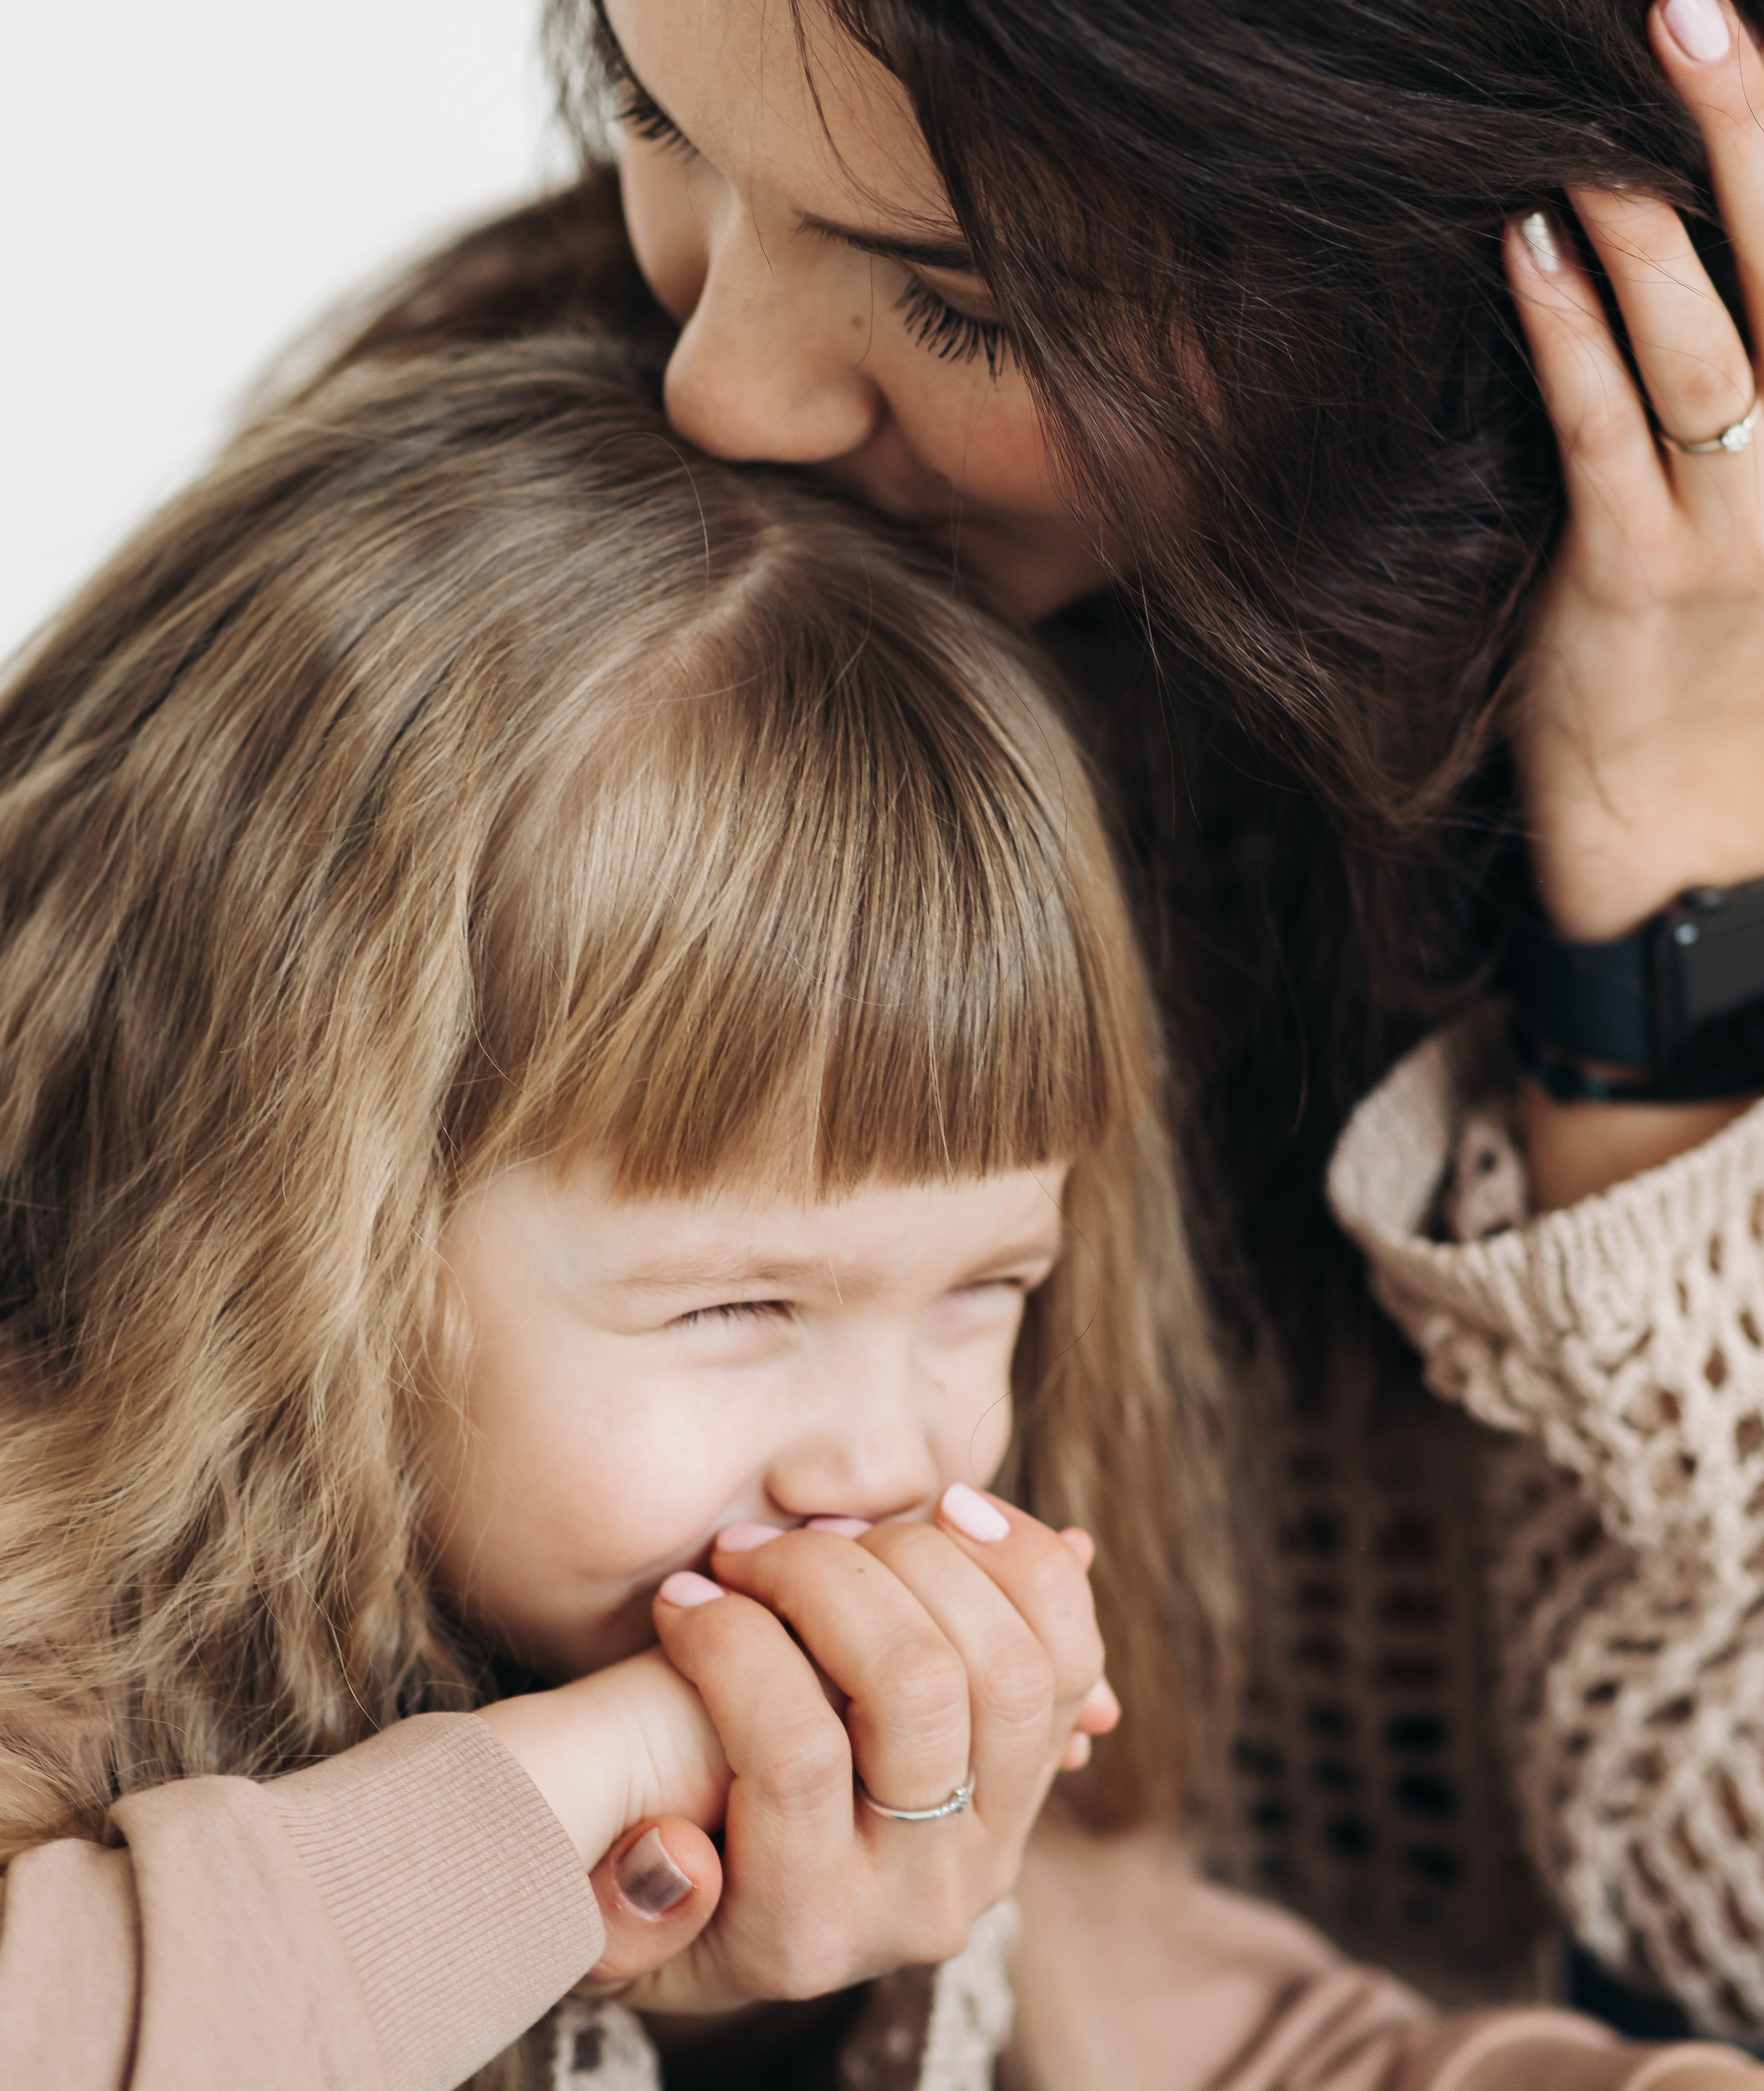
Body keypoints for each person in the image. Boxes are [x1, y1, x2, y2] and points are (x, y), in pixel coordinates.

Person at [288, 0, 1764, 2034]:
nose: (720, 384)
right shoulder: (510, 541)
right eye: (663, 113)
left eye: (962, 298)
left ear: (1477, 290)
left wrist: (1678, 920)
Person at [17, 331, 1727, 2091]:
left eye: (986, 1285)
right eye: (738, 1306)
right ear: (283, 1229)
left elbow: (1270, 2053)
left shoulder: (845, 1688)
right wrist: (572, 1796)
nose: (887, 1453)